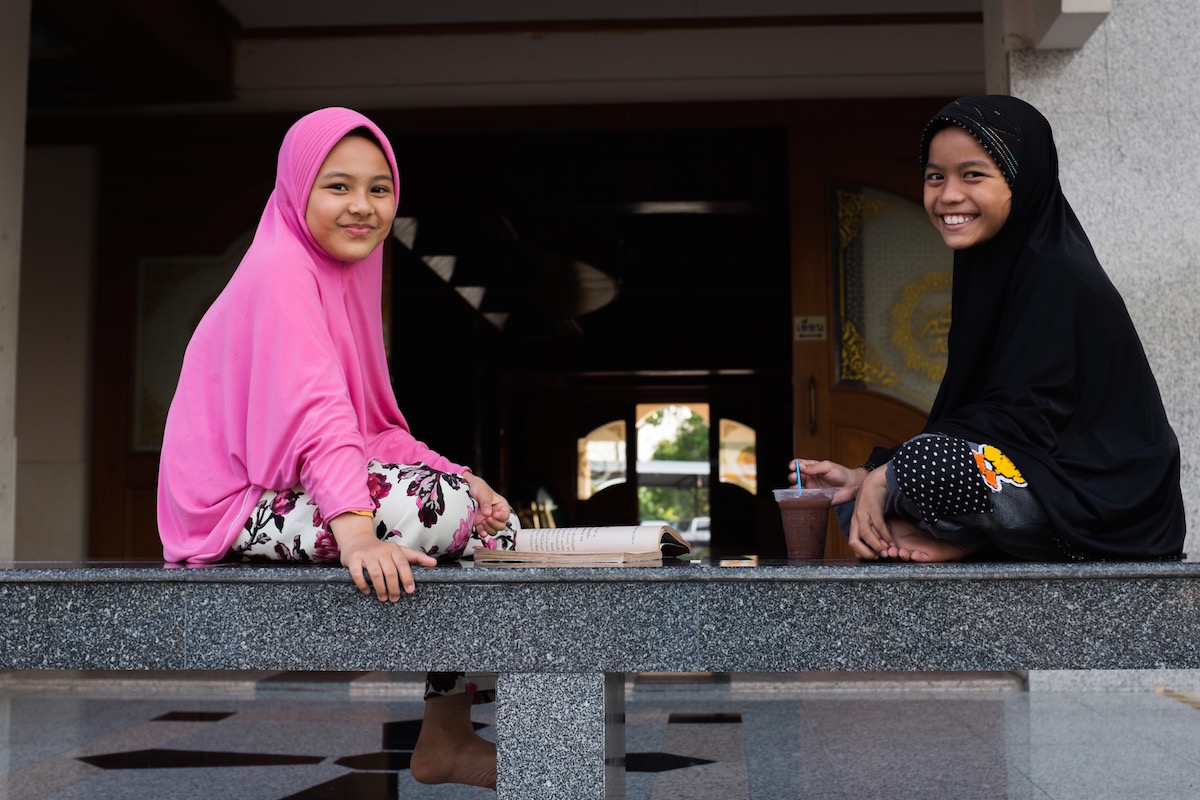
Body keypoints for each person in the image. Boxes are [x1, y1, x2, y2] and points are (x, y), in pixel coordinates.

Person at [156, 106, 512, 789]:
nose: (363, 207)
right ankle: (447, 738)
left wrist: (467, 476)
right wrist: (356, 537)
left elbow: (372, 426)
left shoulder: (347, 274)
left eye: (379, 189)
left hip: (291, 491)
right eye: (338, 186)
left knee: (499, 529)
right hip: (231, 505)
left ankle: (447, 737)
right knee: (443, 513)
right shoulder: (281, 268)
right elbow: (316, 417)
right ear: (297, 189)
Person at [790, 94, 1186, 564]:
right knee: (858, 501)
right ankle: (965, 536)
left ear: (1022, 180)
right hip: (1030, 482)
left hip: (1104, 502)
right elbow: (983, 417)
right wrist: (865, 474)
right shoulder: (988, 271)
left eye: (972, 174)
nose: (948, 195)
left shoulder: (1059, 273)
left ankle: (965, 536)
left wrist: (891, 471)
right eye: (935, 176)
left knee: (922, 470)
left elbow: (1026, 420)